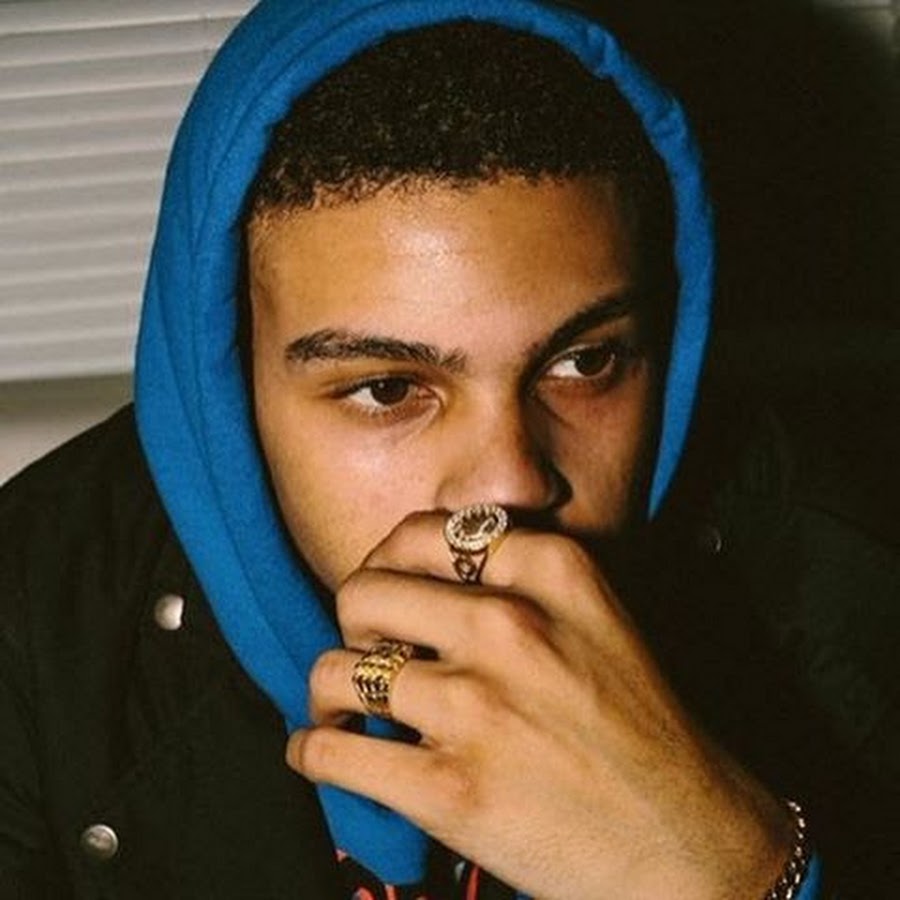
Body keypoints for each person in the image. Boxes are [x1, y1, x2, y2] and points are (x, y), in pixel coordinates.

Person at [0, 1, 896, 897]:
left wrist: (737, 870)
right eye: (389, 389)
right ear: (228, 386)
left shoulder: (843, 595)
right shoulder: (36, 614)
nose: (507, 486)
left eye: (584, 363)